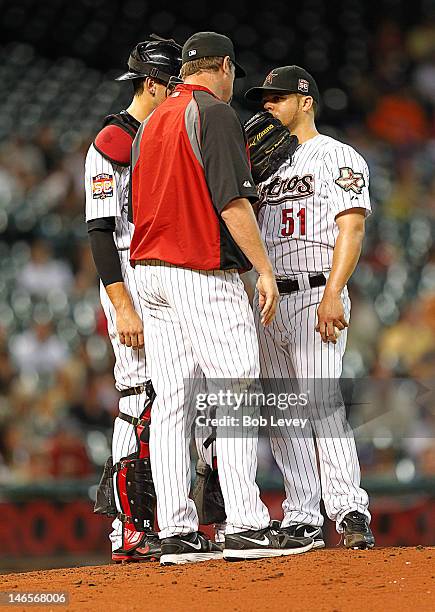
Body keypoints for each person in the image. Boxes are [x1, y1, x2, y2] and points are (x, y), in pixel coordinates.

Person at [129, 32, 314, 565]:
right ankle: (246, 523)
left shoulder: (153, 120)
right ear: (226, 67)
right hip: (199, 270)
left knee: (172, 403)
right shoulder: (214, 113)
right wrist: (265, 270)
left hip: (150, 273)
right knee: (235, 389)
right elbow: (232, 203)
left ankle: (177, 531)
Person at [244, 66, 375, 550]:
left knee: (321, 402)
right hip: (269, 297)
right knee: (282, 411)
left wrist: (335, 291)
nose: (268, 106)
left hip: (316, 290)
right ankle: (302, 512)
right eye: (264, 100)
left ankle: (349, 509)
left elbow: (352, 228)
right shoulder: (261, 165)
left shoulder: (337, 155)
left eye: (277, 98)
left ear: (305, 101)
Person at [84, 35, 182, 562]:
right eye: (171, 85)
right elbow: (100, 231)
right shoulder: (111, 142)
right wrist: (121, 305)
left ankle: (167, 517)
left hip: (163, 276)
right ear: (150, 83)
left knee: (173, 399)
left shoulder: (160, 136)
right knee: (138, 400)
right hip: (128, 276)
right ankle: (125, 526)